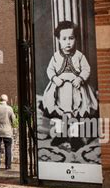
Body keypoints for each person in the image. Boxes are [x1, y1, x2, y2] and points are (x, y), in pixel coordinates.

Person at [41, 20, 98, 152]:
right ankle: (61, 135)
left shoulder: (79, 56)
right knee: (60, 115)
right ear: (59, 40)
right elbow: (50, 70)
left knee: (77, 114)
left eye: (71, 38)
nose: (68, 42)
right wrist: (55, 79)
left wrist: (80, 78)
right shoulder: (56, 57)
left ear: (75, 39)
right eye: (64, 38)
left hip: (76, 91)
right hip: (60, 91)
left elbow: (86, 69)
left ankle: (75, 138)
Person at [0, 94, 16, 170]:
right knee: (8, 148)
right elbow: (13, 119)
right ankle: (8, 165)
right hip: (7, 132)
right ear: (7, 100)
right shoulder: (10, 109)